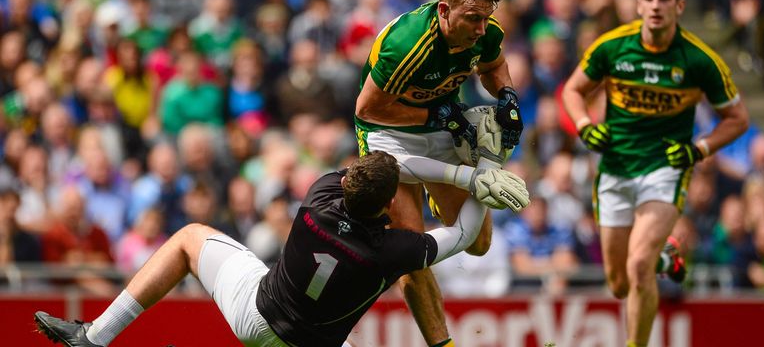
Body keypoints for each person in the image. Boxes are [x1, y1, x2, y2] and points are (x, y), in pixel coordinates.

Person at [34, 122, 529, 346]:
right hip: (311, 345)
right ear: (386, 207)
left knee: (188, 238)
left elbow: (388, 166)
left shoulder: (317, 197)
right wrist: (479, 171)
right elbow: (465, 236)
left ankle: (95, 337)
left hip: (256, 315)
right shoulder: (394, 249)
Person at [561, 0, 749, 347]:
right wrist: (583, 125)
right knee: (617, 283)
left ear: (679, 6)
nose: (655, 6)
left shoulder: (699, 59)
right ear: (637, 4)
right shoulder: (612, 46)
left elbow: (738, 119)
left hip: (664, 170)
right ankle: (669, 259)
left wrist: (700, 149)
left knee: (637, 265)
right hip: (614, 169)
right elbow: (572, 90)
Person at [354, 0, 523, 346]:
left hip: (443, 124)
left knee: (479, 245)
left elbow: (494, 67)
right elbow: (367, 109)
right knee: (408, 252)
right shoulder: (407, 44)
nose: (481, 28)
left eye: (486, 18)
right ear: (444, 11)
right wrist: (437, 112)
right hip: (387, 134)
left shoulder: (485, 32)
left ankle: (432, 194)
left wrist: (508, 95)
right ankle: (441, 343)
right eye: (472, 18)